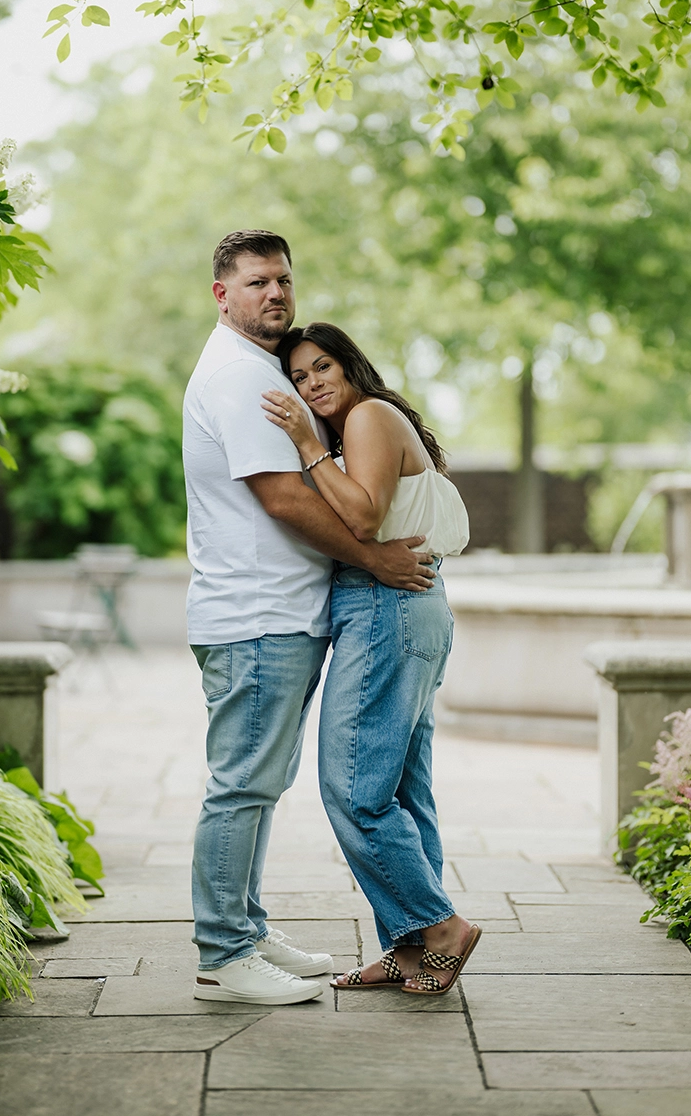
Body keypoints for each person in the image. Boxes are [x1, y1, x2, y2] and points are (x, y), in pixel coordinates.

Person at [183, 231, 434, 1006]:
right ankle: (224, 953)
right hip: (256, 615)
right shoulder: (238, 375)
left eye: (284, 280)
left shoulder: (259, 368)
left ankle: (247, 930)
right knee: (242, 786)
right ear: (222, 294)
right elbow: (284, 496)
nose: (276, 294)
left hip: (277, 615)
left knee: (261, 783)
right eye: (257, 281)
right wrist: (373, 559)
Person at [260, 322, 479, 995]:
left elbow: (363, 518)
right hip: (402, 607)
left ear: (351, 365)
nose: (312, 385)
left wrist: (305, 445)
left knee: (353, 787)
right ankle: (409, 948)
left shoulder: (368, 417)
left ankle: (440, 927)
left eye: (323, 367)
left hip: (387, 606)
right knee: (403, 791)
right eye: (298, 377)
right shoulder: (361, 426)